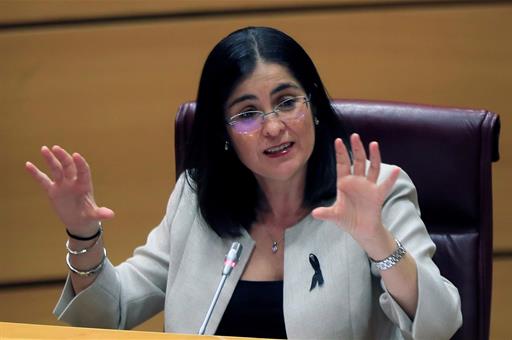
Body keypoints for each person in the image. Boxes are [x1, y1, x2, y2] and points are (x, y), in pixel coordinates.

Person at [25, 26, 462, 339]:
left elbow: (441, 326)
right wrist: (83, 234)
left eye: (287, 102)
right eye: (248, 113)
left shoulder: (376, 190)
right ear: (224, 133)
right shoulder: (196, 198)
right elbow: (110, 314)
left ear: (312, 104)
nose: (273, 127)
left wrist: (378, 241)